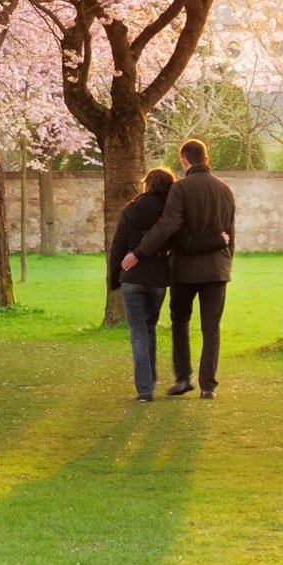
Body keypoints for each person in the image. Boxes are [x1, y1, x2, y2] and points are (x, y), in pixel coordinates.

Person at [122, 138, 235, 399]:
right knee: (211, 327)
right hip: (217, 269)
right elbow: (230, 234)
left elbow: (167, 226)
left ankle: (183, 377)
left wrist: (139, 252)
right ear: (206, 159)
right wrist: (227, 261)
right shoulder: (225, 190)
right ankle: (208, 385)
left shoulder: (180, 189)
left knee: (180, 322)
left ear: (184, 161)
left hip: (184, 269)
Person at [107, 169, 174, 402]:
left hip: (132, 277)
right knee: (149, 328)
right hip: (157, 277)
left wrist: (114, 278)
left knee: (137, 333)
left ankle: (145, 389)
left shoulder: (132, 208)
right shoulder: (169, 212)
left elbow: (118, 245)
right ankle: (150, 381)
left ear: (147, 184)